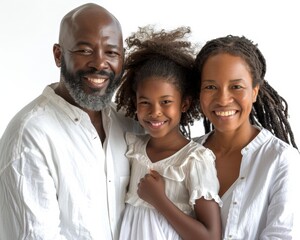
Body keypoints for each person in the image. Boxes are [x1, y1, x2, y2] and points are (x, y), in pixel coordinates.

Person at [0, 3, 142, 240]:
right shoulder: (30, 135)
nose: (99, 63)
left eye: (111, 53)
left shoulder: (129, 122)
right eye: (85, 50)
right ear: (58, 55)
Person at [115, 25, 222, 240]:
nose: (155, 112)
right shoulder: (133, 147)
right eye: (145, 102)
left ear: (184, 104)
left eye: (166, 102)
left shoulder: (194, 160)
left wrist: (159, 200)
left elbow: (211, 236)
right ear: (134, 102)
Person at [194, 35, 300, 239]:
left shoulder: (281, 160)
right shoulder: (187, 154)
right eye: (210, 87)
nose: (223, 99)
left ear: (254, 92)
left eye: (236, 87)